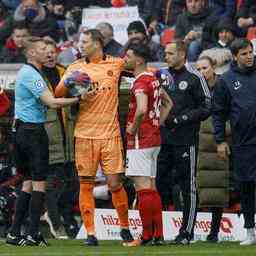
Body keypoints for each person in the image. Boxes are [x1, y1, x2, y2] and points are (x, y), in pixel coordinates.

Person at [55, 29, 136, 247]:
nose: (81, 45)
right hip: (84, 134)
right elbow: (57, 93)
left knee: (115, 184)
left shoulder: (116, 64)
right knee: (86, 185)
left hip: (110, 134)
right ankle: (91, 233)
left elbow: (138, 68)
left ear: (97, 43)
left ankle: (125, 228)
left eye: (85, 41)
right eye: (80, 41)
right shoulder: (75, 68)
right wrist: (75, 90)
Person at [5, 36, 81, 247]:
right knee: (39, 183)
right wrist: (79, 98)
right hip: (33, 132)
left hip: (22, 131)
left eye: (49, 48)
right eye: (41, 49)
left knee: (28, 183)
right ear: (31, 53)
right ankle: (31, 234)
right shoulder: (32, 74)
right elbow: (52, 102)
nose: (47, 52)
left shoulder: (28, 72)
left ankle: (13, 233)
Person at [156, 39, 211, 245]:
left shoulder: (195, 77)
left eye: (170, 53)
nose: (166, 57)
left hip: (185, 140)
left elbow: (206, 107)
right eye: (165, 53)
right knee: (158, 183)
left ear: (181, 54)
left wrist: (181, 119)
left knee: (188, 186)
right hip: (161, 140)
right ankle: (157, 231)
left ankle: (186, 233)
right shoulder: (161, 75)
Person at [124, 43, 172, 245]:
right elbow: (169, 103)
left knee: (142, 188)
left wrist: (133, 128)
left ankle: (144, 236)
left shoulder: (140, 83)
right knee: (151, 188)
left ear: (139, 60)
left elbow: (142, 109)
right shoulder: (154, 79)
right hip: (154, 138)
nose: (124, 59)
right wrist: (157, 124)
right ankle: (157, 235)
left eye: (128, 56)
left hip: (140, 141)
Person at [212, 38, 256, 246]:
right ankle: (250, 230)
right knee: (246, 186)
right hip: (243, 143)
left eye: (251, 52)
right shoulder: (226, 80)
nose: (249, 57)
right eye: (245, 54)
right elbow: (218, 113)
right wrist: (220, 141)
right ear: (236, 56)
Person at [42, 39, 79, 239]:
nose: (49, 55)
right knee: (51, 183)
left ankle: (66, 218)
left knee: (71, 183)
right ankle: (56, 222)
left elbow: (79, 99)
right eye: (46, 52)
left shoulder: (66, 73)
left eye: (52, 51)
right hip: (48, 135)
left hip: (69, 135)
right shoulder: (34, 76)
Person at [196, 55, 231, 243]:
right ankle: (189, 231)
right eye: (199, 69)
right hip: (201, 143)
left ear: (214, 67)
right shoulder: (196, 89)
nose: (202, 72)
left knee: (218, 186)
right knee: (200, 186)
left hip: (220, 143)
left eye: (205, 68)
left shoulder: (224, 86)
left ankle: (214, 232)